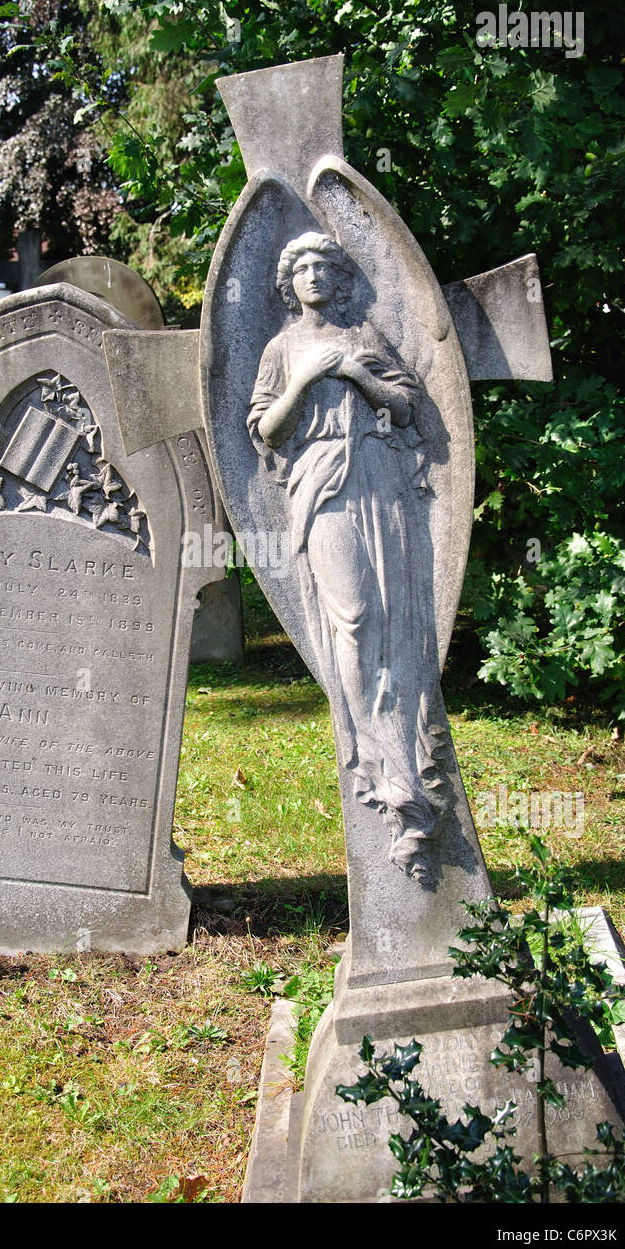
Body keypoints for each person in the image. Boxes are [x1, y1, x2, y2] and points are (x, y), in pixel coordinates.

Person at [247, 232, 450, 886]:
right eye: (299, 268)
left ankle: (411, 756)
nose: (311, 276)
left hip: (381, 482)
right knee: (355, 618)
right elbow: (265, 431)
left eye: (321, 267)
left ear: (338, 279)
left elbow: (409, 407)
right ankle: (373, 750)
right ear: (289, 284)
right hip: (321, 489)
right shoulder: (280, 349)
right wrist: (306, 378)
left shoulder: (365, 337)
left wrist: (357, 375)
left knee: (392, 620)